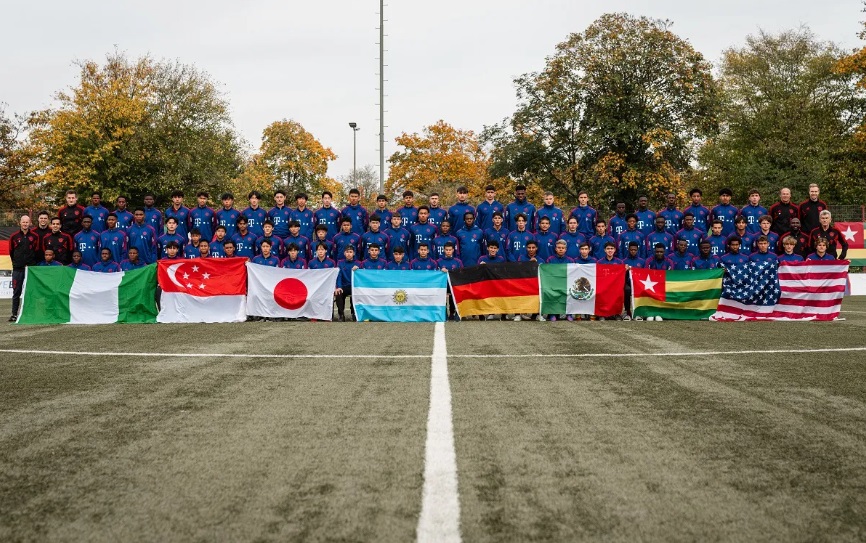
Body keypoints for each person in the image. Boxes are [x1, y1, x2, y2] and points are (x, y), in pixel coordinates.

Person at [9, 215, 40, 321]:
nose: (25, 224)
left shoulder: (35, 236)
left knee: (32, 292)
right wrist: (17, 263)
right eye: (23, 222)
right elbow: (11, 252)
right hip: (18, 269)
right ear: (20, 223)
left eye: (27, 222)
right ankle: (14, 314)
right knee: (16, 292)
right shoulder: (14, 236)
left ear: (30, 223)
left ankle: (31, 313)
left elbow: (37, 251)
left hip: (31, 269)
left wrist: (31, 263)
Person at [335, 245, 359, 321]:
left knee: (356, 292)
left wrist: (358, 270)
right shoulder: (340, 263)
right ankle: (341, 314)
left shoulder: (358, 263)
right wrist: (338, 287)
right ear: (344, 253)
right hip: (343, 286)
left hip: (353, 286)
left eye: (350, 252)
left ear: (353, 253)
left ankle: (354, 313)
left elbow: (360, 277)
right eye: (347, 252)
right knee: (338, 293)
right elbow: (339, 276)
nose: (349, 254)